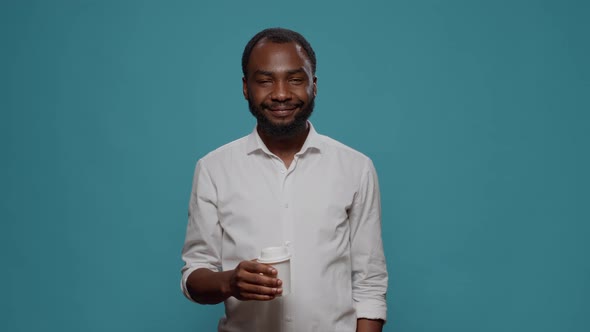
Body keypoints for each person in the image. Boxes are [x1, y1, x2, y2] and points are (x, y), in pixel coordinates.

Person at [180, 27, 388, 332]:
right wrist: (230, 282)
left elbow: (370, 283)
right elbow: (194, 276)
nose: (280, 93)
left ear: (314, 85)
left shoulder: (356, 168)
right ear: (245, 88)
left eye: (295, 79)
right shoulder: (213, 169)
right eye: (265, 81)